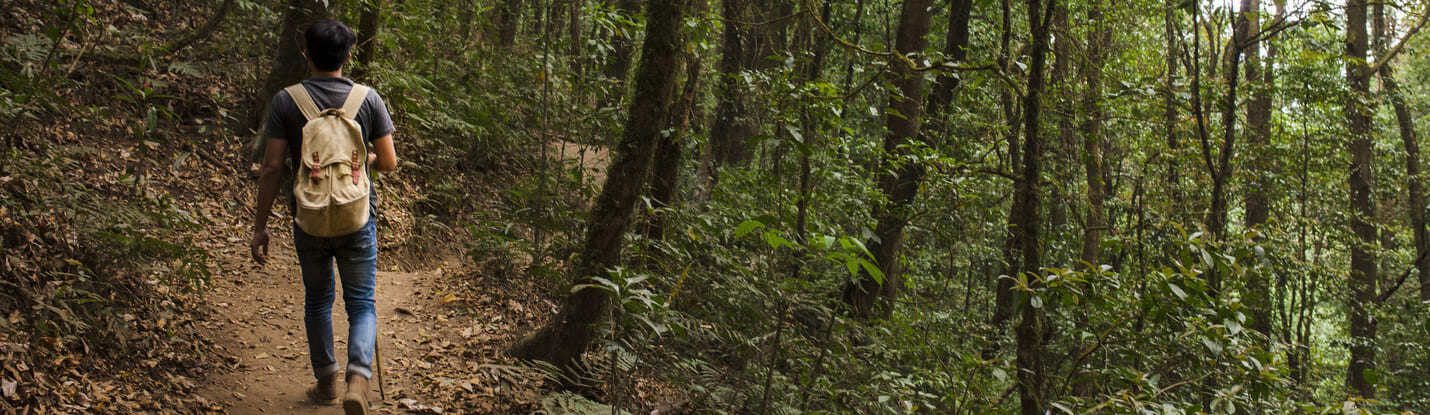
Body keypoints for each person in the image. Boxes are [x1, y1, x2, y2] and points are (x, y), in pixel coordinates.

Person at [248, 18, 397, 415]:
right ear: (348, 55)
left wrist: (260, 228)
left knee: (317, 300)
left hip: (307, 218)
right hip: (357, 218)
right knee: (361, 303)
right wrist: (360, 161)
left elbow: (272, 167)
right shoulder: (369, 99)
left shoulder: (286, 100)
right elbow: (389, 161)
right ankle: (359, 381)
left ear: (306, 54)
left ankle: (327, 380)